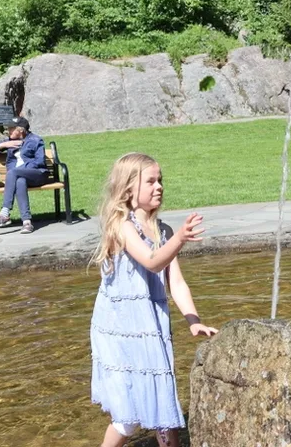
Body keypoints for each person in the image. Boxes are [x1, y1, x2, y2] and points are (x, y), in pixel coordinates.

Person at [90, 153, 218, 447]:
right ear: (128, 190)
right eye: (150, 181)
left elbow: (177, 282)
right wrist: (180, 239)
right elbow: (151, 261)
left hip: (150, 325)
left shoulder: (164, 231)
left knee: (162, 403)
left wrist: (193, 320)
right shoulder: (122, 226)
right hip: (121, 330)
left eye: (160, 180)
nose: (158, 186)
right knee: (128, 417)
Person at [0, 116, 50, 234]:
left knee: (13, 172)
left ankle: (4, 213)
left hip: (37, 174)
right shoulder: (9, 141)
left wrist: (20, 169)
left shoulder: (36, 140)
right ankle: (27, 223)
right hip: (19, 177)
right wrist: (3, 146)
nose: (8, 131)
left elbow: (39, 162)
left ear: (21, 130)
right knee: (20, 182)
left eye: (11, 129)